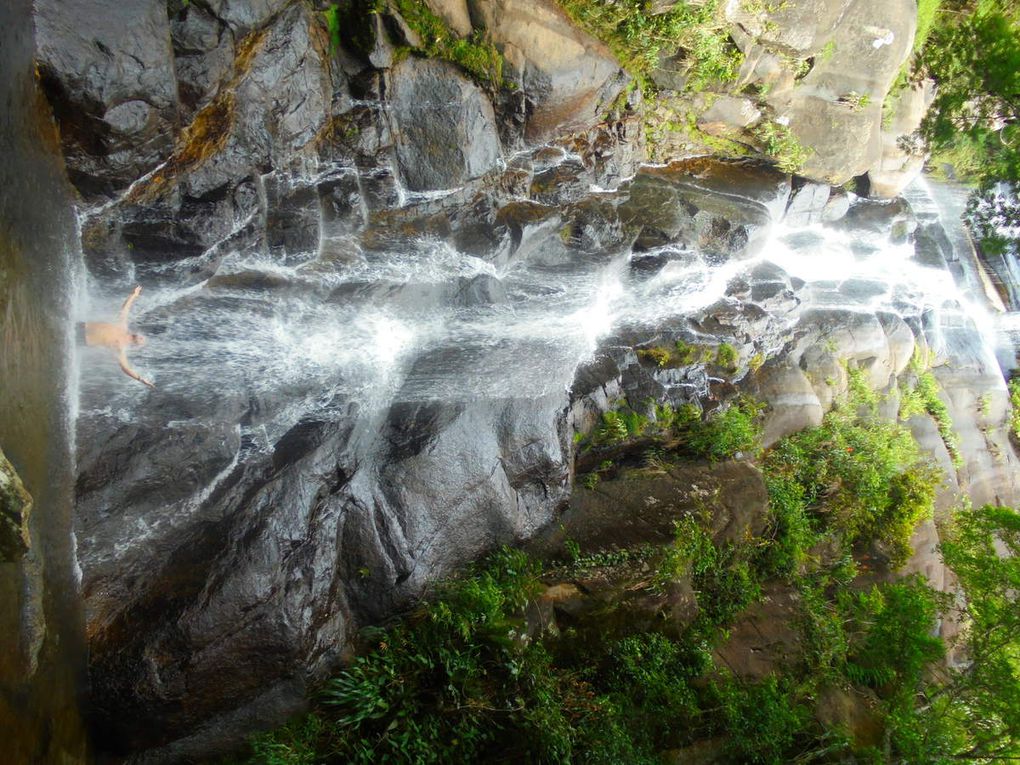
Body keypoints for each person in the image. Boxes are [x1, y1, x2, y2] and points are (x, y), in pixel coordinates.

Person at [78, 285, 154, 388]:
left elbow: (125, 368)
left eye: (142, 341)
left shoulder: (120, 348)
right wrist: (134, 295)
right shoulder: (123, 326)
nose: (142, 338)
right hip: (82, 326)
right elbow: (126, 308)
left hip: (82, 339)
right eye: (143, 337)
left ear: (136, 345)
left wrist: (140, 379)